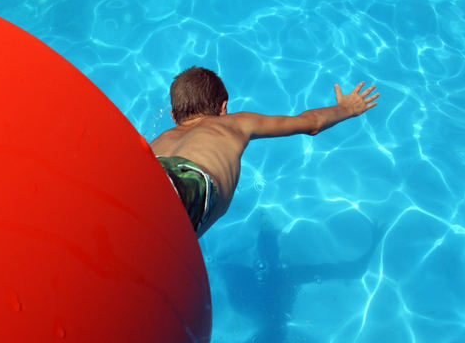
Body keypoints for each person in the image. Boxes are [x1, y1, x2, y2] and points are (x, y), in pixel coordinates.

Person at [150, 66, 379, 237]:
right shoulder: (234, 122)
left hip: (151, 172)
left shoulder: (159, 139)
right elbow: (311, 123)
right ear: (223, 108)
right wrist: (346, 108)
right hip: (189, 182)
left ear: (173, 116)